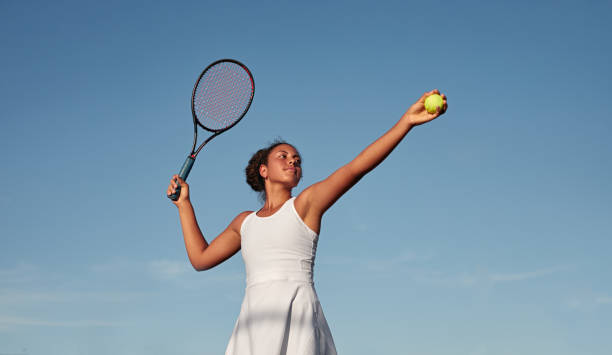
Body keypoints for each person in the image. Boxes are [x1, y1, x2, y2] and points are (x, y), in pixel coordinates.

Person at [167, 89, 448, 355]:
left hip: (298, 314)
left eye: (297, 160)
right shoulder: (244, 223)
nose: (293, 161)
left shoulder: (305, 205)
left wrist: (406, 122)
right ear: (263, 170)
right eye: (284, 156)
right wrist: (184, 205)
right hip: (254, 320)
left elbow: (356, 167)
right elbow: (200, 259)